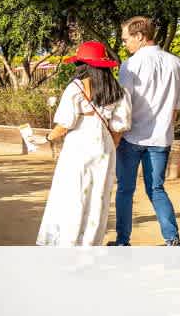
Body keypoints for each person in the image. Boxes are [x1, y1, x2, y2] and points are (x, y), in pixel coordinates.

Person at [35, 41, 131, 247]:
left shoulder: (75, 88)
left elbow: (64, 125)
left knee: (72, 194)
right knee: (97, 198)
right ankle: (89, 247)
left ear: (83, 65)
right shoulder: (119, 92)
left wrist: (46, 139)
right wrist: (108, 149)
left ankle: (66, 244)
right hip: (104, 148)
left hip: (78, 148)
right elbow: (119, 129)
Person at [113, 16, 180, 246]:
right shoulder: (176, 63)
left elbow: (124, 105)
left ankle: (123, 241)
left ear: (140, 36)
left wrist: (116, 135)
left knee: (125, 190)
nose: (124, 44)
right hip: (161, 137)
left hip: (131, 136)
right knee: (156, 189)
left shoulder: (131, 65)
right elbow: (175, 108)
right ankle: (172, 239)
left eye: (126, 39)